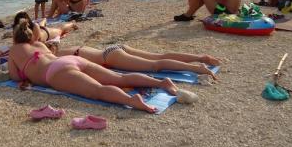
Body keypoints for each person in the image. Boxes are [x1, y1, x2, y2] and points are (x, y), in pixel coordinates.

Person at [8, 20, 178, 113]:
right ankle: (161, 82)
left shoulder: (14, 50)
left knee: (97, 90)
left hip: (56, 72)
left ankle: (130, 100)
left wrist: (27, 73)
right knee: (120, 78)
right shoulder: (39, 44)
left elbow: (14, 76)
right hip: (70, 60)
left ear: (15, 39)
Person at [51, 43, 220, 81]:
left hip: (110, 57)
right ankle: (200, 57)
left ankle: (196, 68)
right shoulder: (67, 48)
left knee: (155, 66)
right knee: (159, 56)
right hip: (115, 48)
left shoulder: (58, 57)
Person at [12, 11, 78, 43]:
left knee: (60, 29)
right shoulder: (16, 29)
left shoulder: (35, 26)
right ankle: (44, 20)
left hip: (46, 33)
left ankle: (72, 24)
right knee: (41, 25)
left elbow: (34, 43)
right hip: (40, 30)